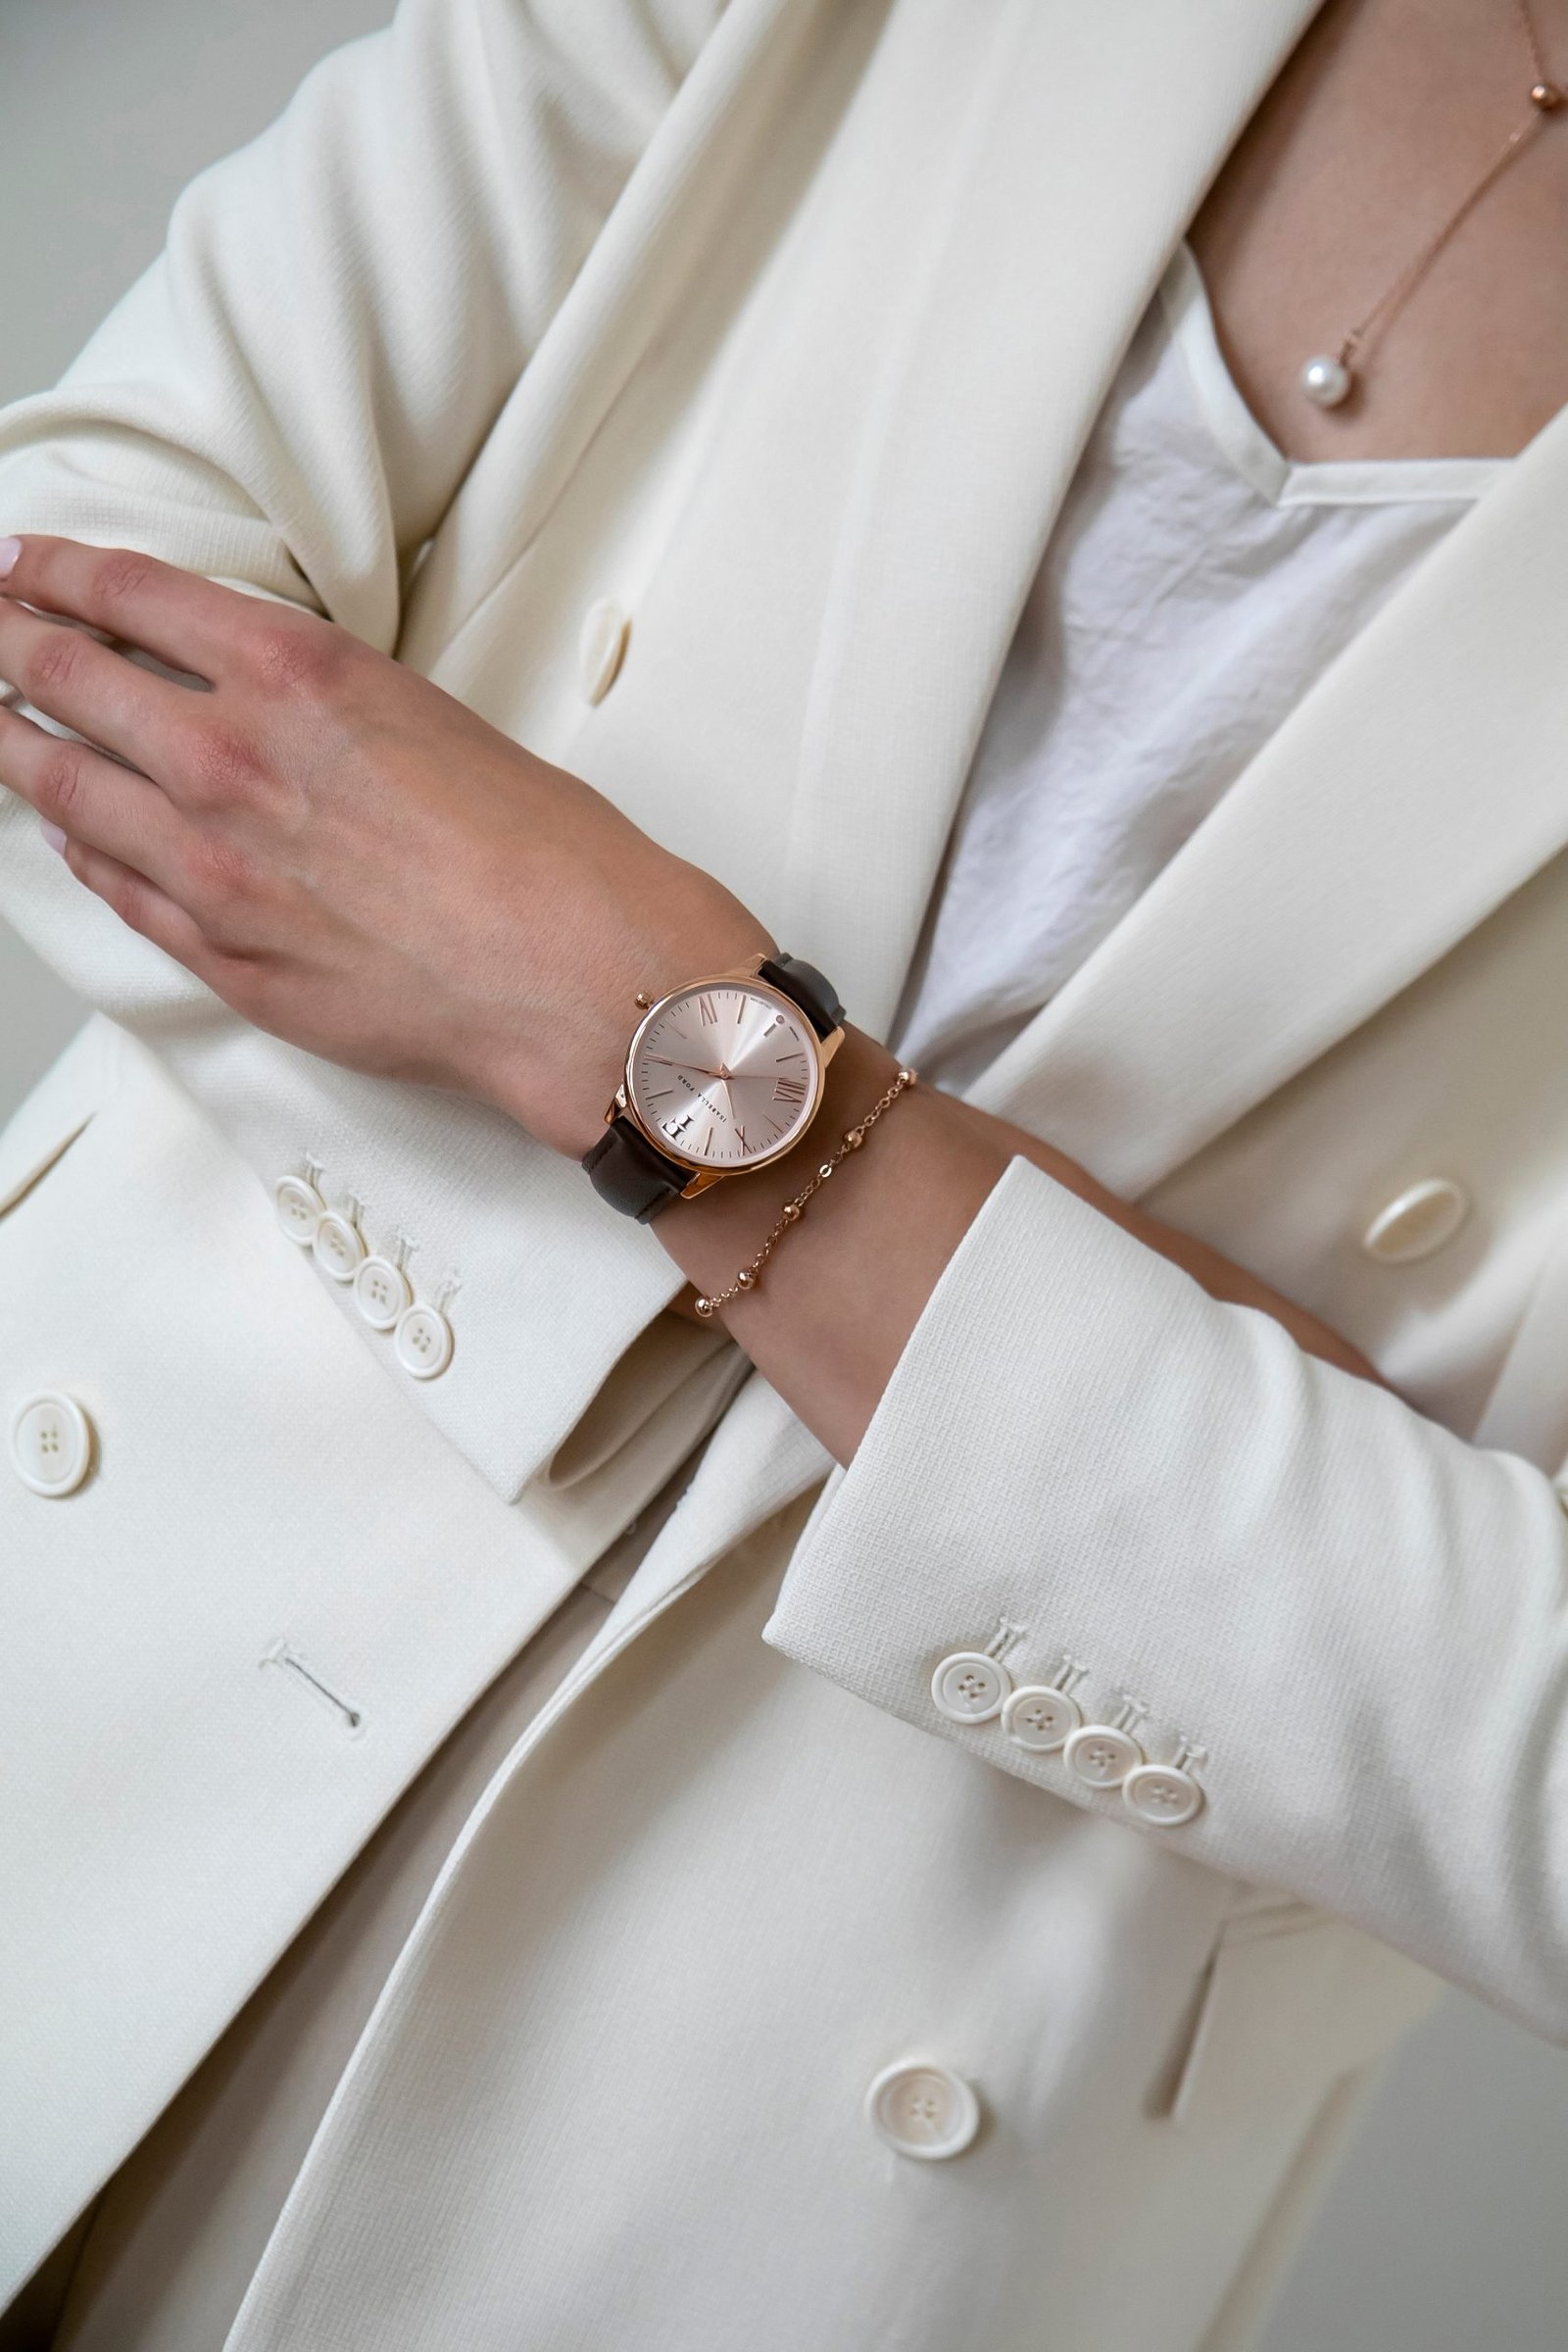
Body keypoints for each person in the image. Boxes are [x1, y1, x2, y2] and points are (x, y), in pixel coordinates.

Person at [1, 0, 1566, 2341]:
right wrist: (1073, 1389)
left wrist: (628, 1029)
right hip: (99, 1593)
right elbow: (68, 601)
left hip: (837, 2125)